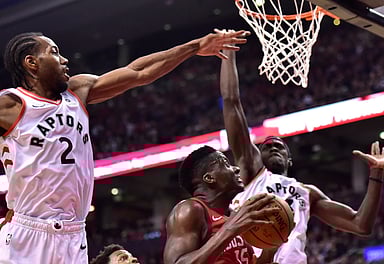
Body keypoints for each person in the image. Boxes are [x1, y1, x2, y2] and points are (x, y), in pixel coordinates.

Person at [0, 29, 250, 263]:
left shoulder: (78, 91)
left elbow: (140, 72)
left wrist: (195, 46)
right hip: (28, 229)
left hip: (74, 234)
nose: (64, 59)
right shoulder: (11, 104)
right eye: (54, 52)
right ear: (31, 63)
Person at [219, 48, 384, 264]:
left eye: (280, 146)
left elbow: (360, 224)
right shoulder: (252, 173)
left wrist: (376, 173)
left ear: (289, 160)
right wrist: (228, 53)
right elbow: (231, 102)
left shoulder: (307, 193)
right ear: (255, 156)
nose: (273, 147)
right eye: (266, 146)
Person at [163, 145, 280, 264]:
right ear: (209, 178)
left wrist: (270, 250)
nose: (236, 169)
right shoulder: (190, 210)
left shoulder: (236, 216)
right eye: (226, 164)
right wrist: (230, 229)